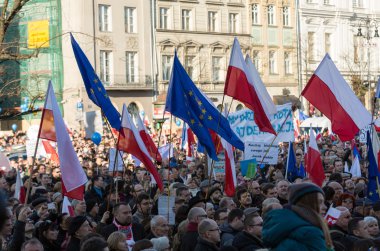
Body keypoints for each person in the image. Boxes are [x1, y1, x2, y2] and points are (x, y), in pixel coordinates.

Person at [263, 183, 333, 250]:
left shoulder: (288, 226)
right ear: (307, 203)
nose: (325, 207)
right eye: (320, 202)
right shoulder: (310, 233)